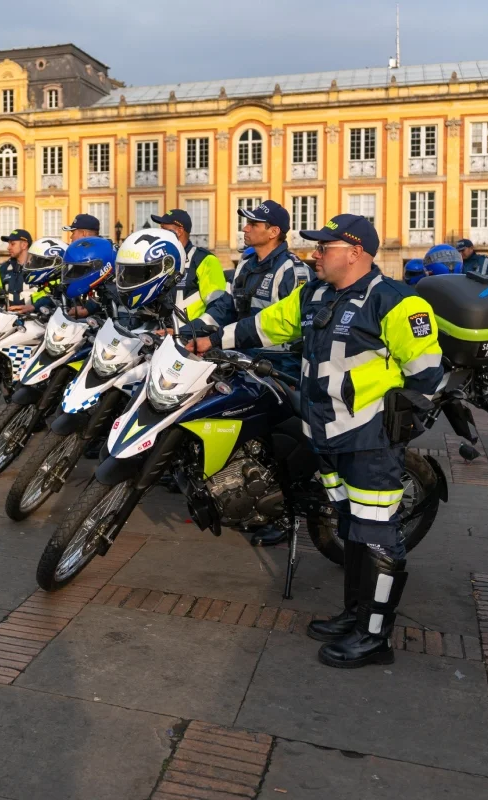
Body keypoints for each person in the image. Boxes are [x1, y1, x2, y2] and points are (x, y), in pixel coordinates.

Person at [189, 214, 443, 669]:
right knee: (350, 529)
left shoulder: (397, 302)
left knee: (377, 535)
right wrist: (208, 340)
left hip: (367, 442)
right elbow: (264, 326)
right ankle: (353, 615)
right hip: (324, 435)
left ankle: (374, 637)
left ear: (356, 253)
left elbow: (427, 376)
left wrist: (397, 428)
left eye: (325, 247)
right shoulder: (314, 294)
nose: (315, 254)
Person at [218, 201, 311, 545]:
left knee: (276, 443)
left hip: (279, 365)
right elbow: (229, 306)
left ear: (273, 232)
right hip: (242, 357)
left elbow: (298, 325)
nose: (245, 227)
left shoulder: (294, 271)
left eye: (253, 224)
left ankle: (286, 514)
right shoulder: (245, 261)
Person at [151, 209, 229, 325]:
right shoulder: (162, 260)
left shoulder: (205, 260)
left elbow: (218, 309)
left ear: (179, 231)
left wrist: (186, 332)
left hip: (190, 338)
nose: (160, 234)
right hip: (161, 334)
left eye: (164, 230)